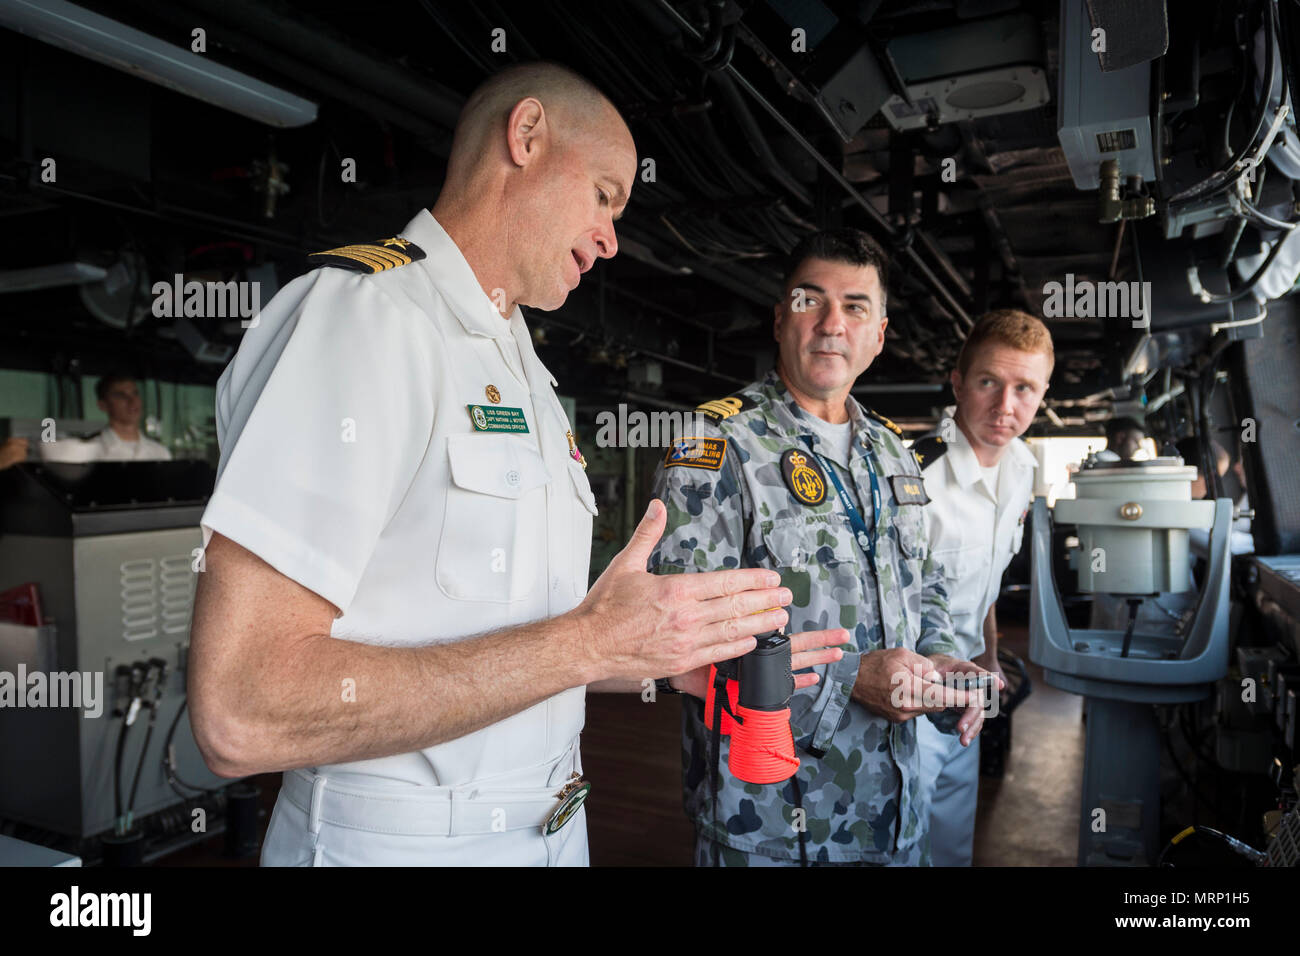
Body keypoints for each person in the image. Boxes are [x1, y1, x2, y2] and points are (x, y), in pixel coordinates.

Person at [186, 62, 828, 868]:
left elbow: (492, 642)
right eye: (603, 194)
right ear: (525, 136)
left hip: (552, 824)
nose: (612, 238)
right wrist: (588, 645)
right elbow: (242, 709)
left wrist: (643, 655)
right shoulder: (365, 320)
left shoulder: (520, 367)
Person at [647, 228, 995, 866]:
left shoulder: (894, 452)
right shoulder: (716, 446)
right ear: (781, 319)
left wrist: (942, 663)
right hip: (773, 821)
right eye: (811, 300)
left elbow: (924, 583)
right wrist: (849, 681)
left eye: (856, 306)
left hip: (894, 813)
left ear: (879, 333)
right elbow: (675, 639)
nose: (833, 323)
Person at [910, 309, 1053, 866]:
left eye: (1025, 388)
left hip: (970, 689)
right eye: (989, 382)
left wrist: (990, 659)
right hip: (912, 693)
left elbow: (986, 582)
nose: (1005, 406)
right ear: (958, 383)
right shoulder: (914, 477)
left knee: (950, 843)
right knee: (901, 846)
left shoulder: (1021, 467)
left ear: (1042, 393)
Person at [39, 374, 172, 462]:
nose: (132, 401)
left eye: (135, 393)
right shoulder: (88, 453)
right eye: (120, 395)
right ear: (103, 405)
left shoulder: (160, 453)